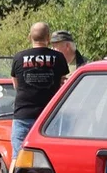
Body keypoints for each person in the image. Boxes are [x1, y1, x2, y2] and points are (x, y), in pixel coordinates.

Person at [10, 22, 69, 155]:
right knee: (50, 157)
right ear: (48, 38)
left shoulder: (19, 57)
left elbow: (16, 85)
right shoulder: (58, 58)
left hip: (23, 115)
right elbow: (62, 84)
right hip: (50, 117)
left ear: (29, 37)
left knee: (17, 157)